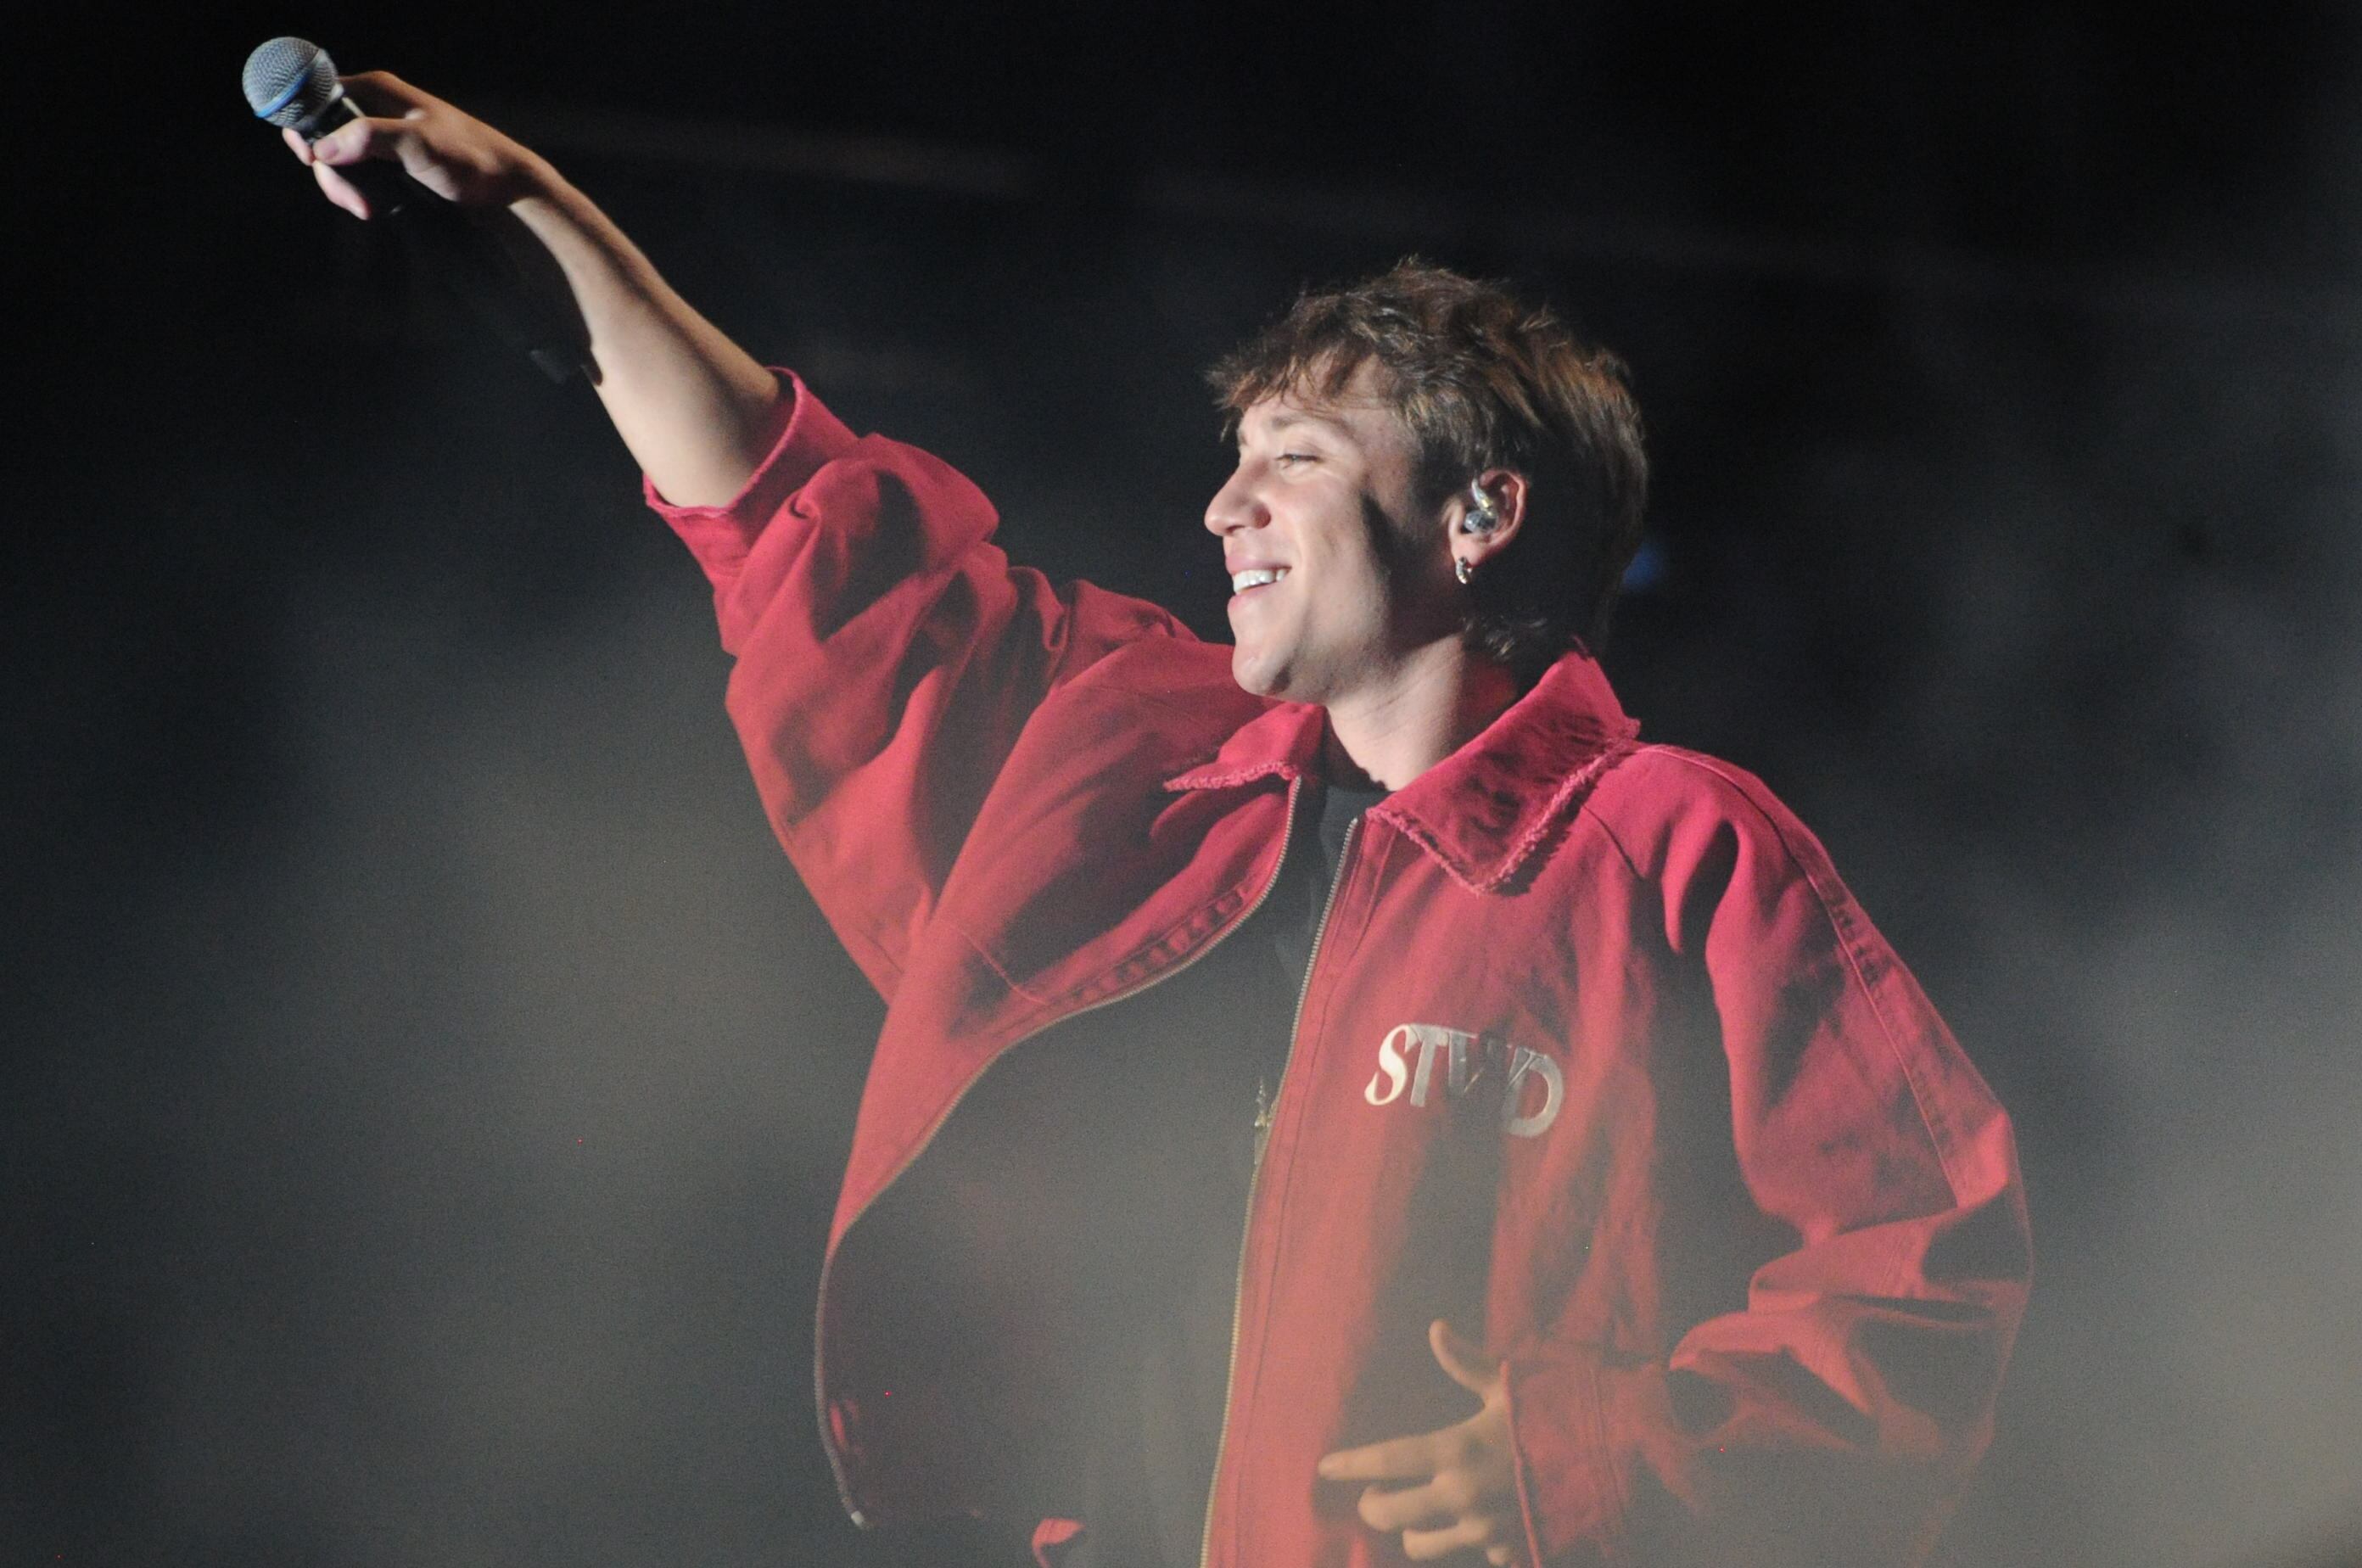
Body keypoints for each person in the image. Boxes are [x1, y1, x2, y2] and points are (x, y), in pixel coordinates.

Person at [283, 72, 2031, 1568]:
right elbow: (801, 524)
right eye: (1237, 455)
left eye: (1298, 457)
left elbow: (1928, 1265)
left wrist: (1597, 1471)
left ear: (1482, 514)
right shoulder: (1136, 763)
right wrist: (546, 212)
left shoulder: (1673, 847)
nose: (1224, 505)